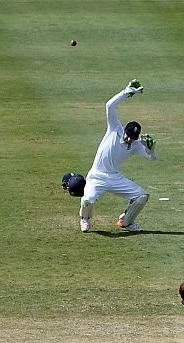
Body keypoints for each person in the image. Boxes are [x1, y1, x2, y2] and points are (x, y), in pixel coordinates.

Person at [76, 79, 157, 233]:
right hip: (97, 176)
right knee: (88, 199)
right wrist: (126, 92)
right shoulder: (114, 128)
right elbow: (109, 105)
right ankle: (84, 219)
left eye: (132, 138)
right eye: (127, 136)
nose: (128, 140)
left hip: (114, 178)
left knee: (142, 196)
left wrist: (151, 149)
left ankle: (126, 222)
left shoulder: (136, 145)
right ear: (124, 130)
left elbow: (152, 158)